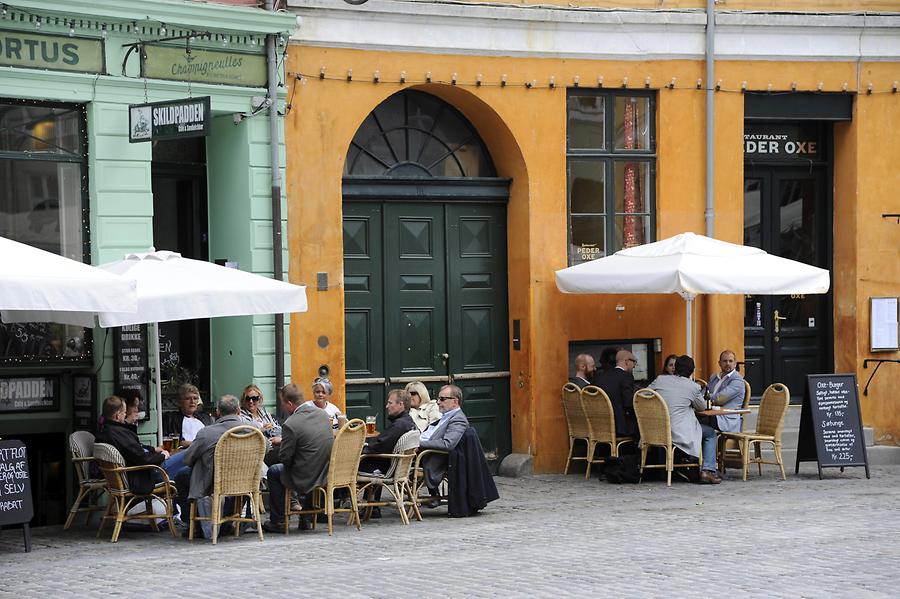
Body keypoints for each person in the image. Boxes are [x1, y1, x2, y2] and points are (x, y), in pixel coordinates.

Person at [96, 395, 192, 513]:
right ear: (117, 414)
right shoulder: (119, 433)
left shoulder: (107, 430)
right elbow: (141, 458)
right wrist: (162, 456)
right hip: (147, 473)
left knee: (185, 462)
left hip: (138, 471)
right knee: (189, 452)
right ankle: (190, 510)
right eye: (124, 412)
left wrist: (153, 450)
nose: (125, 415)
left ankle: (182, 508)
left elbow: (134, 450)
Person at [263, 384, 334, 533]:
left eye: (282, 403)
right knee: (307, 461)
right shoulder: (322, 415)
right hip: (325, 471)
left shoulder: (291, 423)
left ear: (289, 403)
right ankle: (306, 518)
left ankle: (278, 520)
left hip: (305, 475)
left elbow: (285, 458)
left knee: (274, 471)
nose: (282, 406)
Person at [177, 394, 248, 536]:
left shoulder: (207, 433)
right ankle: (227, 521)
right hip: (244, 481)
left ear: (218, 412)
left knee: (182, 476)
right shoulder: (252, 429)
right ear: (239, 411)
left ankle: (194, 525)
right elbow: (265, 447)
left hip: (213, 482)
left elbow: (188, 458)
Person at [649, 355, 721, 484]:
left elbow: (643, 394)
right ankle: (707, 470)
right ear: (692, 371)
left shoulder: (660, 380)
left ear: (675, 367)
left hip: (656, 430)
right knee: (710, 433)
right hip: (679, 432)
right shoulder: (692, 387)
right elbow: (702, 407)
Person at [418, 384, 469, 492]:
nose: (438, 402)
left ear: (455, 401)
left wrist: (419, 443)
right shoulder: (446, 416)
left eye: (442, 399)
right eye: (438, 398)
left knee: (383, 461)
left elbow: (448, 444)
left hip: (428, 458)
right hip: (418, 452)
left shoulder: (458, 419)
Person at [595, 349, 639, 439]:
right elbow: (628, 403)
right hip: (619, 426)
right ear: (627, 361)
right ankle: (642, 452)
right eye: (634, 362)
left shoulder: (600, 377)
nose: (634, 366)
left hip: (599, 425)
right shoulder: (626, 377)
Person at [705, 350, 746, 433]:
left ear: (735, 363)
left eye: (730, 361)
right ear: (719, 363)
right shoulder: (714, 377)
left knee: (695, 420)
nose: (727, 363)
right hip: (711, 414)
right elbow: (704, 392)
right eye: (725, 361)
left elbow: (720, 399)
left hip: (725, 419)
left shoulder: (737, 380)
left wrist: (705, 397)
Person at [163, 384, 212, 448]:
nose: (192, 401)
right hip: (183, 453)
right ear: (180, 401)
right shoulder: (171, 418)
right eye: (188, 398)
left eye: (195, 398)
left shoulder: (205, 418)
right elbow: (176, 442)